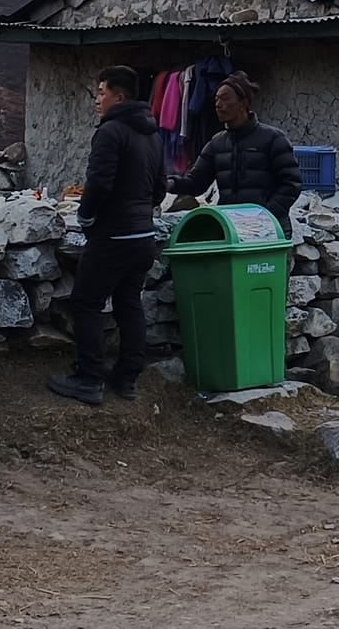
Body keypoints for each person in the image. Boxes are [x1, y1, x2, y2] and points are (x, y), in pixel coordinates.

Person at [50, 65, 167, 408]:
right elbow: (160, 188)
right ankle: (127, 377)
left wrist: (86, 217)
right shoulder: (153, 135)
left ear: (120, 96)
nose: (96, 100)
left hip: (113, 236)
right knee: (129, 303)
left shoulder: (111, 132)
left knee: (86, 303)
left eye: (101, 93)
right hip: (143, 237)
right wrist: (140, 212)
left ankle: (88, 378)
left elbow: (99, 183)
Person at [168, 71, 302, 232]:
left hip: (270, 230)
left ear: (243, 103)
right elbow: (196, 183)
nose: (218, 104)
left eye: (225, 99)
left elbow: (291, 184)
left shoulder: (273, 139)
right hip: (232, 229)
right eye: (216, 99)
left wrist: (266, 215)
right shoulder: (216, 143)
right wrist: (169, 183)